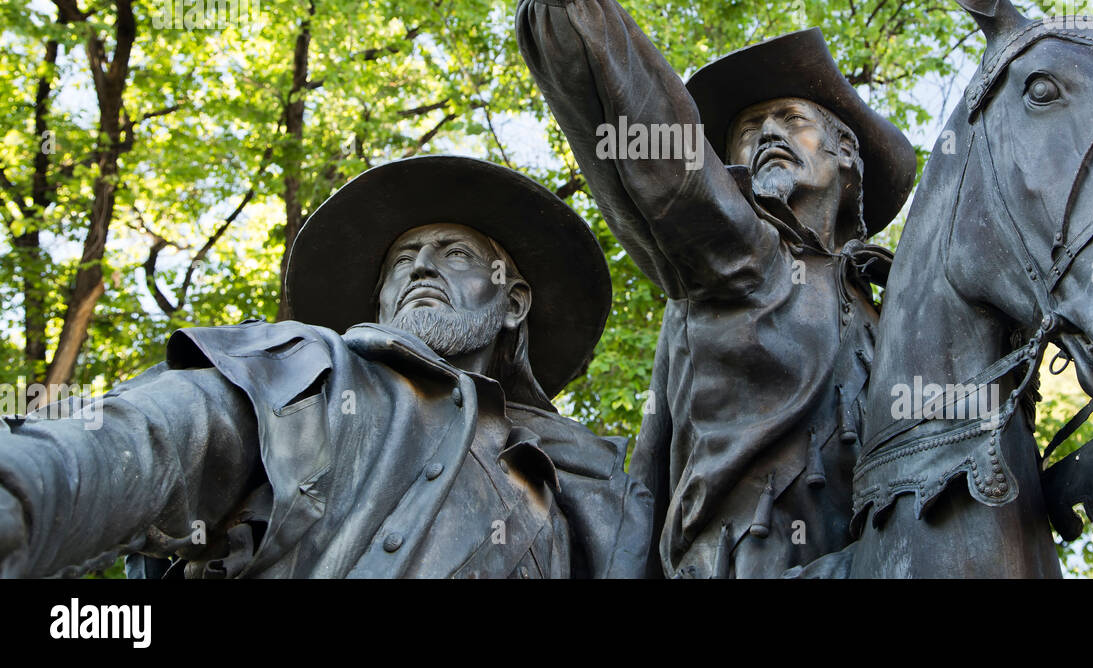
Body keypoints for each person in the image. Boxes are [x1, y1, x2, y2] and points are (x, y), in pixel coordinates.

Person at [473, 0, 916, 578]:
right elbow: (632, 110)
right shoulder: (733, 251)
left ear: (848, 157)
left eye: (791, 118)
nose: (761, 137)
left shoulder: (896, 313)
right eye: (745, 132)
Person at [0, 155, 651, 579]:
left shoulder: (596, 494)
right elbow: (153, 441)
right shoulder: (311, 373)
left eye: (453, 254)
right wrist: (23, 490)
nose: (421, 267)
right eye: (402, 261)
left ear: (512, 301)